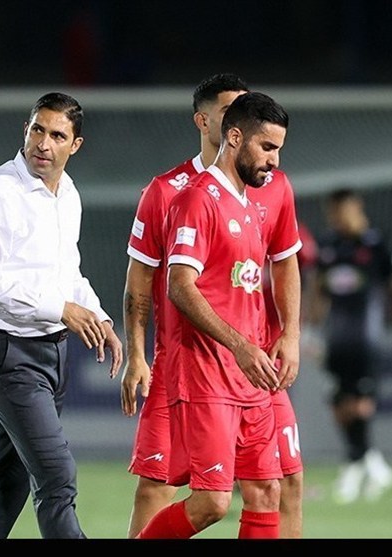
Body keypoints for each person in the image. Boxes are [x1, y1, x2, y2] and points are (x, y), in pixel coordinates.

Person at [122, 74, 305, 538]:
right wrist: (138, 353)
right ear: (227, 130)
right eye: (267, 147)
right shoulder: (187, 196)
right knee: (201, 498)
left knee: (272, 489)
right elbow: (171, 285)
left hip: (253, 369)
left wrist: (287, 335)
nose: (274, 160)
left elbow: (279, 265)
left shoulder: (257, 195)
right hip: (202, 368)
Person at [0, 92, 123, 539]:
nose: (43, 143)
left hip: (52, 352)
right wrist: (59, 309)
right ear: (26, 130)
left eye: (57, 135)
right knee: (56, 474)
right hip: (6, 351)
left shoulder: (67, 194)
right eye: (37, 130)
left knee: (8, 482)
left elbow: (67, 272)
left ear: (76, 145)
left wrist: (99, 317)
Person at [304, 188, 392, 505]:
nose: (336, 218)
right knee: (338, 404)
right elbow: (318, 292)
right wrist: (311, 331)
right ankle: (370, 462)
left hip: (367, 337)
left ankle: (355, 464)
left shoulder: (378, 245)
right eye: (332, 212)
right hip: (336, 337)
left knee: (359, 404)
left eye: (341, 211)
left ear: (356, 208)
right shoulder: (329, 246)